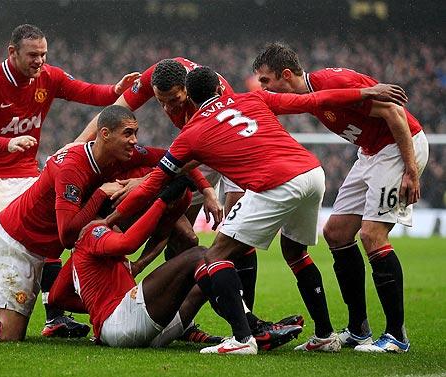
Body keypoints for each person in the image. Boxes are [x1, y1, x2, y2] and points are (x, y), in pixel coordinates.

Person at [108, 66, 408, 354]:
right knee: (295, 252)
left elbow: (152, 185)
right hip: (311, 173)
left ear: (189, 96)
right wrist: (364, 92)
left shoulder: (190, 133)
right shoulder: (253, 97)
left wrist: (113, 218)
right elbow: (314, 100)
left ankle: (242, 339)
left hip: (276, 182)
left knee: (215, 255)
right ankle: (325, 334)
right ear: (218, 87)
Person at [0, 105, 211, 341]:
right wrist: (100, 196)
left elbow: (171, 156)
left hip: (38, 246)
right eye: (128, 133)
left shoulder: (119, 154)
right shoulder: (74, 167)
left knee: (8, 319)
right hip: (18, 242)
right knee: (7, 332)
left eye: (136, 133)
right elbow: (68, 233)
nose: (134, 141)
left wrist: (207, 189)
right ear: (104, 134)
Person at [74, 57, 304, 347]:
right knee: (184, 237)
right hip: (191, 155)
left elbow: (193, 152)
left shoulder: (211, 94)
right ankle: (223, 323)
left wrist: (191, 188)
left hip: (226, 151)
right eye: (161, 102)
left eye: (174, 100)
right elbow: (116, 110)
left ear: (188, 89)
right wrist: (77, 143)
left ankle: (246, 324)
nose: (168, 108)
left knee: (234, 236)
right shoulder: (153, 78)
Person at [0, 23, 140, 336]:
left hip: (27, 170)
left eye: (44, 54)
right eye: (33, 55)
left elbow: (85, 91)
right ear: (12, 52)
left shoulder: (49, 77)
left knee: (48, 239)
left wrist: (115, 90)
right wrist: (7, 143)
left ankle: (53, 318)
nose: (40, 61)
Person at [252, 42, 429, 353]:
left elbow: (394, 112)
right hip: (371, 152)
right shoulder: (311, 96)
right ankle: (359, 330)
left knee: (372, 236)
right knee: (336, 234)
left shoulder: (333, 82)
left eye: (266, 81)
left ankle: (396, 336)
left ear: (286, 75)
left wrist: (411, 170)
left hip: (400, 148)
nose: (263, 88)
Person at [68, 176, 216, 349]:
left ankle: (243, 332)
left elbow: (57, 296)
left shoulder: (91, 246)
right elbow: (128, 243)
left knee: (211, 270)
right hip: (120, 323)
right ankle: (243, 332)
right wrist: (162, 200)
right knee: (198, 254)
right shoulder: (93, 231)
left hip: (137, 329)